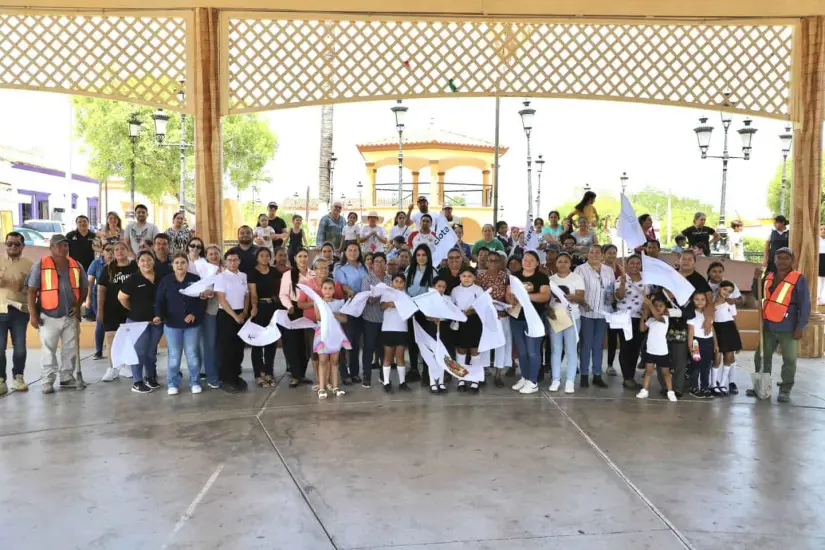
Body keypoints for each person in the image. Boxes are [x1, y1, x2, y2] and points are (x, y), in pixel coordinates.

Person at [26, 234, 89, 394]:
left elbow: (84, 288)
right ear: (51, 247)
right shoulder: (40, 265)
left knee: (70, 348)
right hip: (48, 316)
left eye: (65, 245)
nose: (63, 248)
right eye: (59, 245)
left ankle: (67, 377)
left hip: (70, 315)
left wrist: (78, 304)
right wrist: (33, 315)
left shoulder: (76, 265)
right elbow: (31, 291)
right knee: (49, 349)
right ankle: (48, 380)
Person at [751, 247, 810, 402]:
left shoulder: (799, 278)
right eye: (779, 258)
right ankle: (762, 385)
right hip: (768, 325)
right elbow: (757, 294)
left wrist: (800, 326)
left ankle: (785, 389)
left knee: (789, 359)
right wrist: (755, 279)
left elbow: (805, 304)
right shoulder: (769, 276)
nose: (782, 261)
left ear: (792, 261)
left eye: (786, 258)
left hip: (789, 328)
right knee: (762, 357)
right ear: (774, 260)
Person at [663, 250, 713, 396]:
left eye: (689, 259)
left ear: (694, 261)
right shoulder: (671, 275)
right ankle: (666, 383)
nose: (686, 261)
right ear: (679, 260)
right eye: (683, 258)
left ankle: (688, 384)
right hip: (667, 321)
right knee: (667, 355)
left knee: (689, 357)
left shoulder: (699, 279)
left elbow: (709, 301)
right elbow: (661, 295)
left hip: (691, 323)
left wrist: (709, 319)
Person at [155, 253, 207, 395]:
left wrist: (194, 314)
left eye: (182, 262)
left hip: (192, 325)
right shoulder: (166, 281)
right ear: (173, 265)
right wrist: (159, 315)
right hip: (172, 325)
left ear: (187, 264)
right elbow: (159, 301)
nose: (179, 265)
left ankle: (195, 382)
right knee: (174, 355)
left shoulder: (195, 279)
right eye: (176, 262)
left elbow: (202, 300)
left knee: (192, 354)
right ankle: (172, 383)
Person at [118, 251, 162, 393]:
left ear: (153, 261)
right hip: (138, 322)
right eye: (142, 260)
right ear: (137, 263)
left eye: (149, 259)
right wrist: (134, 310)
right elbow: (122, 298)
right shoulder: (133, 279)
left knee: (151, 351)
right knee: (139, 352)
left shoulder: (160, 278)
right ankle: (137, 381)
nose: (146, 263)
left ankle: (150, 377)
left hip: (156, 322)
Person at [507, 251, 550, 395]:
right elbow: (508, 294)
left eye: (532, 260)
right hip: (517, 318)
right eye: (525, 259)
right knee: (522, 352)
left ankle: (533, 382)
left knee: (533, 351)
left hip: (534, 319)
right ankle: (525, 377)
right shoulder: (514, 277)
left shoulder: (541, 277)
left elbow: (545, 296)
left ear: (537, 263)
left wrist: (525, 297)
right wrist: (511, 300)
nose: (528, 262)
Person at [574, 245, 615, 388]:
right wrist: (583, 303)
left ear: (602, 255)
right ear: (587, 254)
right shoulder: (580, 270)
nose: (594, 254)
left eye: (598, 252)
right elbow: (577, 290)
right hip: (586, 312)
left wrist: (610, 302)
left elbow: (611, 290)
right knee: (586, 344)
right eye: (591, 252)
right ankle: (584, 375)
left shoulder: (609, 271)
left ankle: (597, 374)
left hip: (603, 313)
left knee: (598, 346)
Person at [97, 241, 137, 382]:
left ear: (127, 251)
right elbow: (101, 290)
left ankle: (126, 365)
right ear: (113, 253)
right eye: (116, 250)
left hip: (130, 308)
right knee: (111, 339)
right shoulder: (108, 269)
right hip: (112, 309)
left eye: (122, 249)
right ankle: (113, 367)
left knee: (129, 339)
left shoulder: (135, 266)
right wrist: (100, 310)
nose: (119, 251)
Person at [0, 231, 33, 395]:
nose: (12, 247)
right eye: (9, 244)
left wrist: (21, 286)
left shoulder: (30, 265)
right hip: (0, 310)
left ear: (23, 246)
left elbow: (34, 289)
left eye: (16, 244)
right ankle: (1, 380)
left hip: (20, 310)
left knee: (20, 347)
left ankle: (18, 377)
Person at [549, 252, 585, 394]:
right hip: (555, 317)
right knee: (556, 350)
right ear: (555, 264)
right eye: (560, 261)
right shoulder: (551, 279)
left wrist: (573, 297)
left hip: (572, 317)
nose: (562, 264)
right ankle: (556, 379)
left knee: (571, 350)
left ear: (570, 263)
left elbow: (581, 298)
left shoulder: (577, 278)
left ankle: (570, 380)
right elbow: (548, 299)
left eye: (565, 261)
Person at [214, 249, 250, 393]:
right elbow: (221, 299)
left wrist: (244, 312)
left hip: (241, 313)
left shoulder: (243, 276)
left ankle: (235, 376)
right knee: (227, 349)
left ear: (239, 261)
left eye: (235, 260)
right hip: (227, 315)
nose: (233, 262)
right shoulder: (221, 277)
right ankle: (226, 379)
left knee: (239, 348)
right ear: (225, 261)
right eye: (230, 260)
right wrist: (235, 316)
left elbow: (246, 296)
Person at [334, 242, 369, 385]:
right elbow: (342, 285)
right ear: (345, 252)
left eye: (356, 250)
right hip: (348, 309)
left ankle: (354, 372)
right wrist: (349, 292)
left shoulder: (364, 267)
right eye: (350, 250)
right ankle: (343, 373)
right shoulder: (340, 268)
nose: (353, 252)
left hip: (363, 308)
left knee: (356, 342)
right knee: (346, 341)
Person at [248, 247, 282, 387]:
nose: (265, 258)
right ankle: (258, 374)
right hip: (259, 307)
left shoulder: (274, 271)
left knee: (270, 342)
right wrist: (254, 307)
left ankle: (269, 371)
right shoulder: (253, 273)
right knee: (257, 343)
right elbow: (253, 294)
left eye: (267, 255)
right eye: (262, 255)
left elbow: (280, 290)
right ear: (257, 257)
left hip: (273, 307)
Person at [280, 248, 313, 387]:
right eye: (300, 256)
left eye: (305, 256)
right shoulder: (288, 274)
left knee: (305, 344)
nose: (303, 259)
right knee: (292, 344)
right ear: (295, 258)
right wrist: (289, 307)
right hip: (293, 310)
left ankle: (302, 374)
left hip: (309, 309)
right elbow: (283, 294)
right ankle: (295, 374)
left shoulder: (313, 274)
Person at [477, 251, 510, 387]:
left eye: (496, 260)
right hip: (486, 314)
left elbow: (509, 294)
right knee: (485, 345)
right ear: (486, 262)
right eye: (490, 260)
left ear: (501, 262)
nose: (493, 263)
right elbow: (477, 296)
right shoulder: (480, 276)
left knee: (501, 344)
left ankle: (498, 374)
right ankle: (483, 373)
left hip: (502, 313)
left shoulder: (505, 276)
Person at [313, 278, 349, 399]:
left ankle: (335, 387)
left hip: (335, 334)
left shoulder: (340, 302)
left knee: (334, 361)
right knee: (323, 361)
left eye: (330, 288)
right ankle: (322, 388)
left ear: (334, 290)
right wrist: (326, 311)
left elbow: (345, 319)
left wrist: (334, 314)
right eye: (325, 288)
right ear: (321, 290)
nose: (327, 291)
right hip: (322, 334)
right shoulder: (318, 302)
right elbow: (317, 317)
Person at [637, 295, 678, 402]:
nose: (658, 308)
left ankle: (670, 391)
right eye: (656, 306)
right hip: (650, 350)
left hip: (662, 351)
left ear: (665, 308)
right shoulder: (651, 319)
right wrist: (644, 315)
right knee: (648, 371)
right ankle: (644, 390)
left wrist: (650, 305)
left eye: (661, 306)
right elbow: (642, 329)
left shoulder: (664, 318)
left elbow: (657, 316)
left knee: (666, 373)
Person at [614, 254, 646, 389]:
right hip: (625, 318)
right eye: (632, 263)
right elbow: (619, 297)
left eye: (638, 263)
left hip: (641, 319)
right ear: (626, 265)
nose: (635, 265)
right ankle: (627, 378)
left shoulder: (647, 279)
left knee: (635, 349)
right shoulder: (622, 278)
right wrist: (622, 284)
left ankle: (631, 376)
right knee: (626, 348)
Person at [451, 266, 484, 393]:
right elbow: (452, 305)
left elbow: (482, 305)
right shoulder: (455, 290)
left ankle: (475, 380)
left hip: (474, 322)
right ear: (460, 277)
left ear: (474, 278)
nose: (466, 278)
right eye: (464, 276)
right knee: (461, 350)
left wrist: (472, 310)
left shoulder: (478, 289)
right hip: (460, 322)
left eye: (470, 276)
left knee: (474, 351)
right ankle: (461, 379)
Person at [406, 244, 436, 383]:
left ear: (428, 256)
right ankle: (413, 369)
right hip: (412, 310)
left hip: (426, 312)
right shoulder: (409, 270)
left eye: (424, 255)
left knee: (425, 341)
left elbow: (435, 292)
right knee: (412, 341)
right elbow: (404, 289)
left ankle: (426, 370)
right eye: (418, 255)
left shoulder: (432, 272)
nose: (421, 257)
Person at [361, 252, 390, 388]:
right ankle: (366, 375)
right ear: (372, 264)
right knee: (368, 347)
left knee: (383, 349)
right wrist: (374, 296)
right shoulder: (367, 279)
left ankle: (383, 374)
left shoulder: (390, 279)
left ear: (385, 264)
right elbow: (365, 298)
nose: (379, 264)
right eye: (376, 261)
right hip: (370, 319)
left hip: (386, 319)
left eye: (381, 261)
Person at [379, 273, 412, 393]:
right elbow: (381, 306)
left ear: (404, 284)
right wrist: (389, 304)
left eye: (401, 282)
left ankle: (402, 382)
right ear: (392, 282)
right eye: (396, 281)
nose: (398, 284)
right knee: (388, 357)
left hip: (402, 329)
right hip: (388, 328)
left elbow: (410, 311)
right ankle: (386, 382)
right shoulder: (387, 293)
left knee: (400, 357)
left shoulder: (406, 296)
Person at [713, 281, 742, 396]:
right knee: (716, 358)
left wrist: (738, 339)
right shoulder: (712, 304)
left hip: (730, 331)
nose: (726, 293)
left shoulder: (731, 303)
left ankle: (723, 383)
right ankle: (713, 384)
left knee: (729, 358)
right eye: (724, 289)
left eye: (730, 291)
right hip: (717, 330)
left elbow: (734, 321)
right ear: (719, 288)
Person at [200, 244, 223, 389]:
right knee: (210, 344)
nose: (214, 256)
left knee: (222, 344)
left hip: (226, 311)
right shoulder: (203, 272)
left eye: (216, 253)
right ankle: (212, 376)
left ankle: (223, 373)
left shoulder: (226, 270)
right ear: (206, 257)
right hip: (211, 311)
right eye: (211, 254)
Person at [686, 291, 716, 399]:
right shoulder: (691, 315)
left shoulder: (708, 314)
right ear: (692, 301)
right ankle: (694, 387)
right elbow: (690, 332)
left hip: (708, 342)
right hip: (696, 343)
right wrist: (691, 347)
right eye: (697, 299)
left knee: (706, 367)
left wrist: (716, 344)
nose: (700, 302)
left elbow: (712, 329)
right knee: (696, 367)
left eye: (702, 299)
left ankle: (705, 387)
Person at [86, 243, 113, 359]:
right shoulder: (96, 263)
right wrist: (88, 299)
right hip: (98, 296)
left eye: (113, 250)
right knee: (100, 322)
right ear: (102, 251)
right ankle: (98, 351)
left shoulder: (119, 263)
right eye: (107, 250)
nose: (110, 253)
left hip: (114, 296)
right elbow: (90, 282)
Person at [602, 244, 622, 377]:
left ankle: (609, 364)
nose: (612, 255)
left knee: (613, 336)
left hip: (614, 306)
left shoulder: (620, 269)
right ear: (603, 254)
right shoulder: (598, 267)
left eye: (614, 253)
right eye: (609, 252)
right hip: (598, 306)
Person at [819, 224, 825, 305]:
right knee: (819, 280)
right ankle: (818, 297)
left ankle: (823, 298)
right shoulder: (817, 239)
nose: (823, 230)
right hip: (819, 259)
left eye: (824, 229)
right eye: (821, 229)